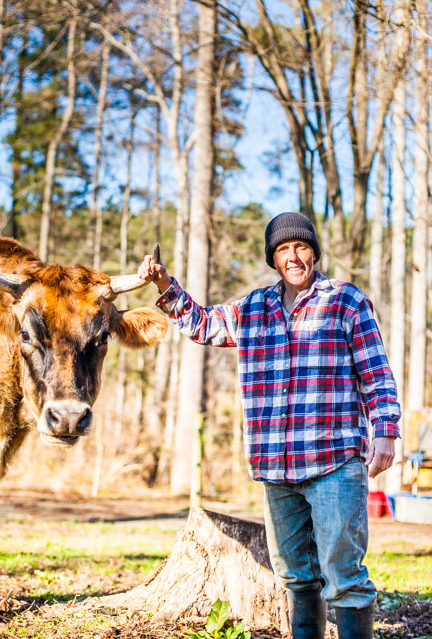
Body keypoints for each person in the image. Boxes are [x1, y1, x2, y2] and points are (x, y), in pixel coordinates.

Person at [137, 212, 401, 639]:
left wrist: (386, 430)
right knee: (296, 577)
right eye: (283, 249)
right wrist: (165, 286)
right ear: (273, 258)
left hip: (334, 461)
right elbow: (202, 324)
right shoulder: (253, 308)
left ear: (313, 252)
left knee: (345, 578)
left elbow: (376, 373)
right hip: (275, 468)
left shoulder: (347, 300)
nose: (293, 256)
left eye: (300, 247)